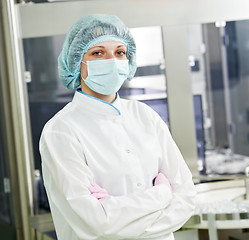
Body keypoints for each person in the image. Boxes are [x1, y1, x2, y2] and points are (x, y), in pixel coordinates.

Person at [40, 14, 196, 240]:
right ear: (76, 62)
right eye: (97, 53)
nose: (111, 60)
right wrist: (161, 195)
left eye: (120, 52)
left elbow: (186, 197)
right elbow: (96, 224)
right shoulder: (61, 131)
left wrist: (114, 211)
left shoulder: (145, 116)